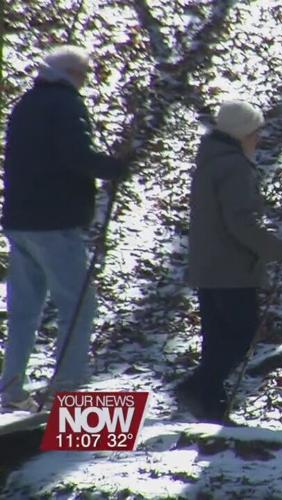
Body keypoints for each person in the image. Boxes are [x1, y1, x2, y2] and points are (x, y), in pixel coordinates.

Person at [0, 46, 128, 412]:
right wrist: (115, 167)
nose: (86, 82)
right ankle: (68, 388)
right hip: (55, 222)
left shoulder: (25, 105)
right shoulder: (67, 105)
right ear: (72, 73)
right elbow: (76, 156)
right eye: (85, 75)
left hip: (19, 220)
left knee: (24, 308)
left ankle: (10, 387)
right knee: (78, 305)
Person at [174, 100, 282, 424]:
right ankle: (197, 388)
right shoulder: (235, 167)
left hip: (207, 266)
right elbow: (241, 222)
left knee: (216, 338)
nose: (259, 139)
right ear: (241, 134)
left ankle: (212, 406)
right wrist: (276, 249)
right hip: (232, 268)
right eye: (255, 133)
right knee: (242, 334)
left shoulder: (210, 161)